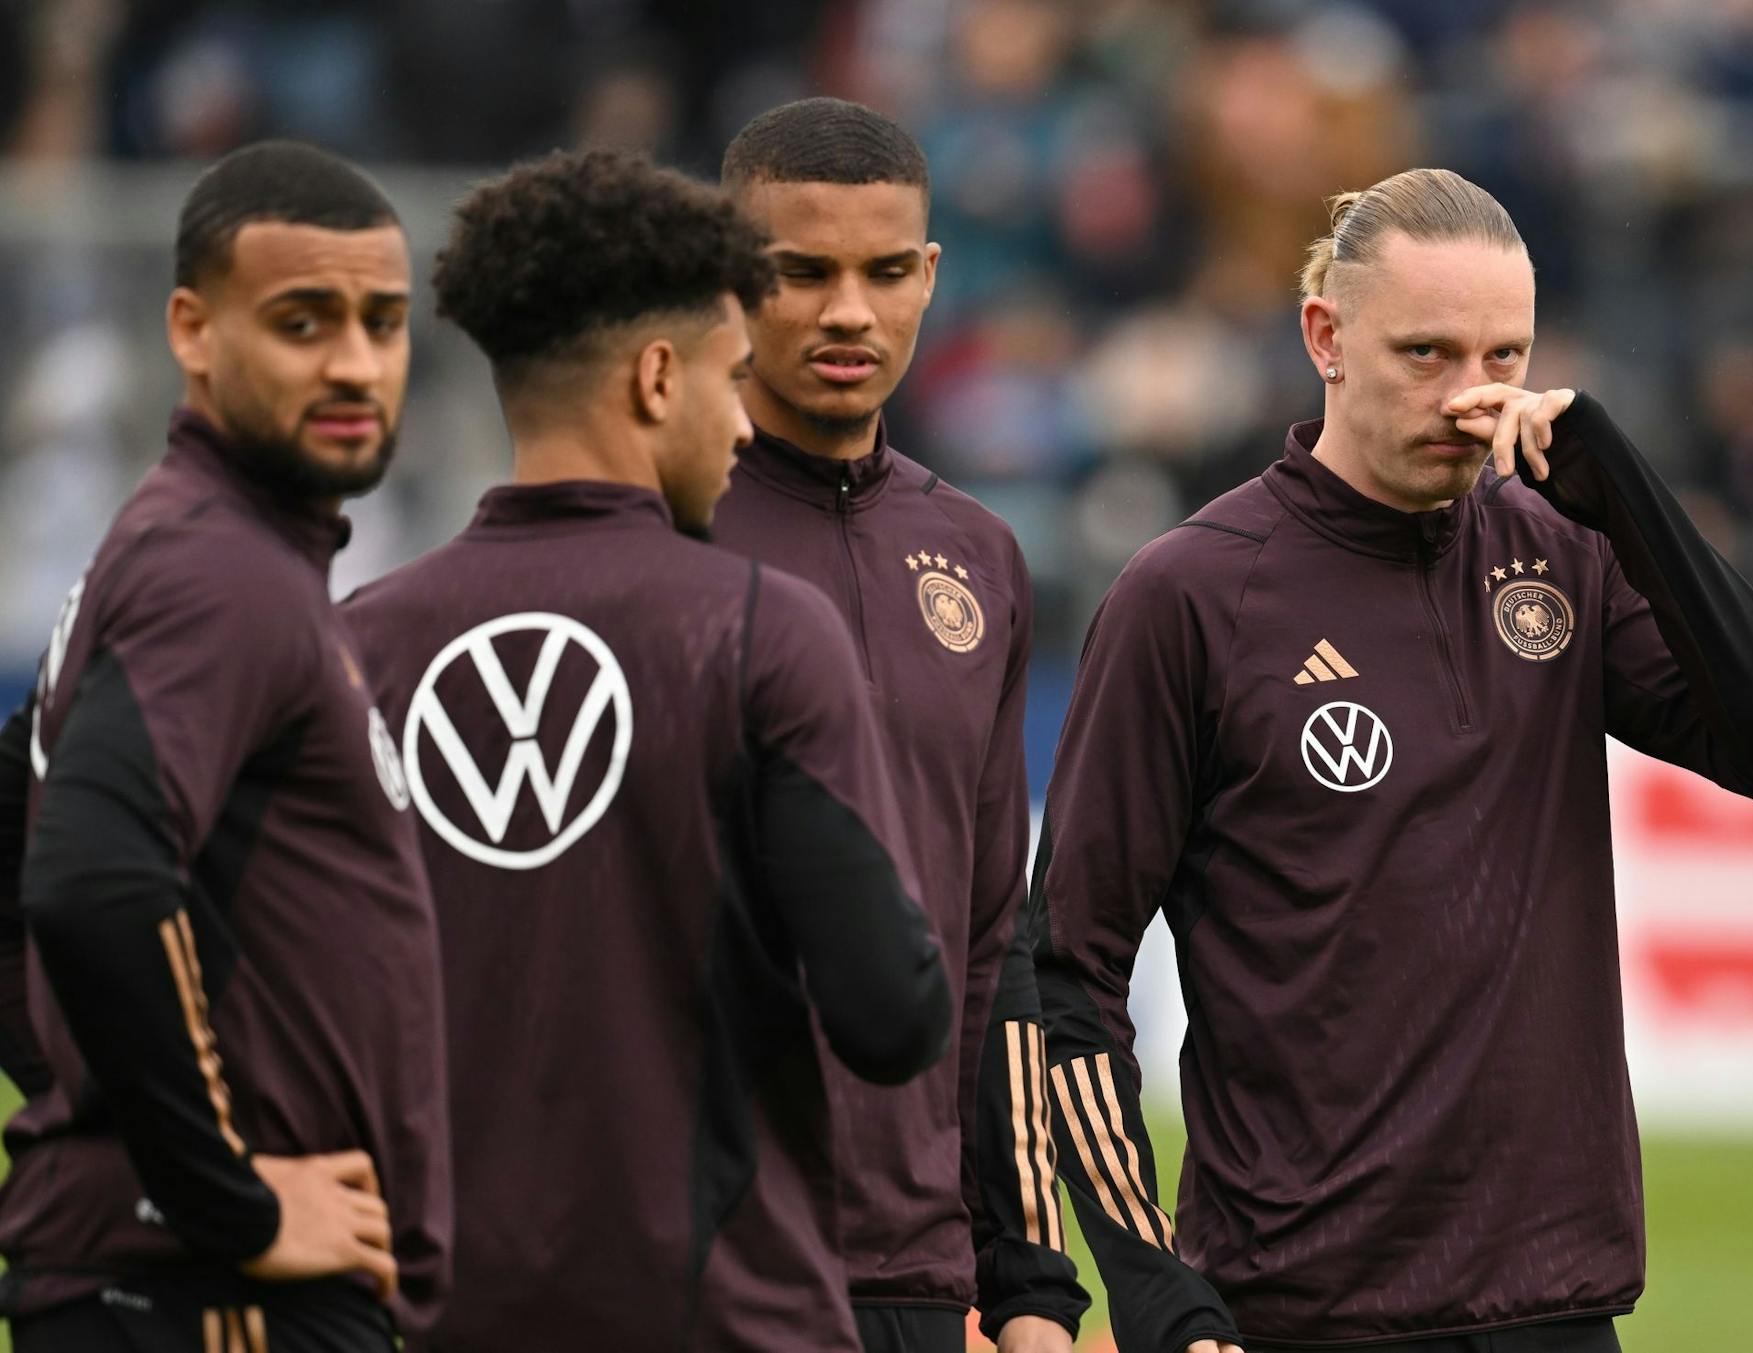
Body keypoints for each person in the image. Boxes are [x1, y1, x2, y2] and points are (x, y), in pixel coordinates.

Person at [1032, 168, 1753, 1353]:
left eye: (1501, 356)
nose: (1469, 395)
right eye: (1425, 354)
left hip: (1554, 1302)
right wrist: (1146, 1275)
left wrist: (1626, 497)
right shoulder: (1190, 595)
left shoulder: (1562, 554)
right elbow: (1066, 969)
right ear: (1325, 337)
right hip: (1299, 1308)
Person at [341, 148, 952, 1352]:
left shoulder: (356, 645)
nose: (742, 421)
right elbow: (891, 1013)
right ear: (658, 377)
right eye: (729, 377)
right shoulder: (761, 630)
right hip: (721, 1313)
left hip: (437, 1316)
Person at [0, 141, 449, 1353]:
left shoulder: (198, 548)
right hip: (216, 1297)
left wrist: (95, 1116)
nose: (354, 362)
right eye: (303, 323)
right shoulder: (218, 571)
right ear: (191, 330)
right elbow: (91, 873)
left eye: (382, 322)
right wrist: (219, 1195)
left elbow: (14, 849)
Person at [715, 97, 1088, 1353]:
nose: (848, 313)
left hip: (917, 1278)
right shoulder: (650, 536)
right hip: (695, 1266)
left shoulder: (978, 556)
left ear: (930, 276)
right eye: (801, 272)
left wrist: (1027, 1281)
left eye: (883, 273)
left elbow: (993, 940)